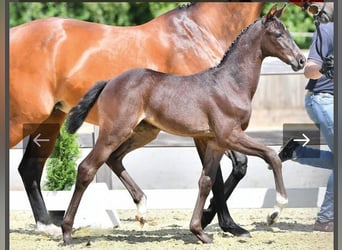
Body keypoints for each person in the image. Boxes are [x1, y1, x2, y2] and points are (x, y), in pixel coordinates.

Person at [278, 20, 334, 232]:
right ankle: (325, 219)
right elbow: (309, 69)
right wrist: (323, 68)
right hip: (323, 99)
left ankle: (296, 152)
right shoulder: (328, 30)